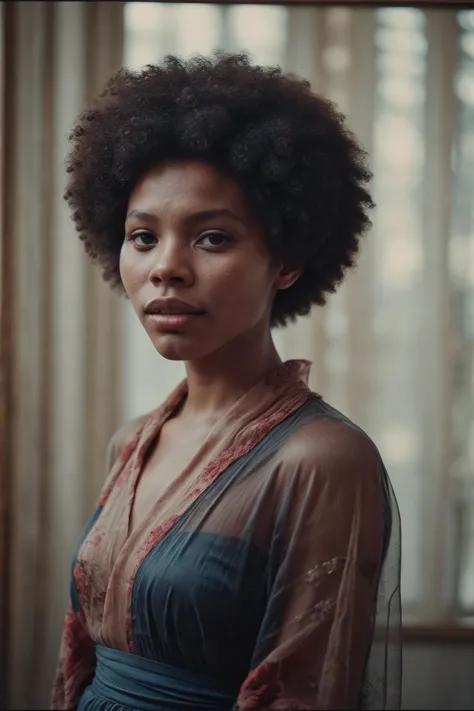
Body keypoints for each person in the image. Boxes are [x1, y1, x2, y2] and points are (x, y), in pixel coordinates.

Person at [51, 52, 401, 711]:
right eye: (143, 236)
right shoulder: (130, 443)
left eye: (212, 237)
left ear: (288, 259)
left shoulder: (321, 459)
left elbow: (307, 693)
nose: (167, 268)